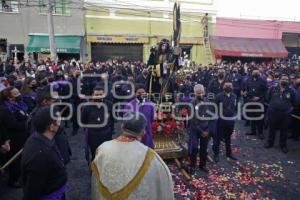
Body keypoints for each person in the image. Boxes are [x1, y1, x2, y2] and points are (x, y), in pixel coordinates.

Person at [91, 111, 174, 200]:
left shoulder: (103, 148)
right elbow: (162, 186)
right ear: (143, 132)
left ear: (122, 127)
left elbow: (95, 182)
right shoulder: (150, 156)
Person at [21, 107, 67, 200]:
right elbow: (32, 191)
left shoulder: (37, 137)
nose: (60, 123)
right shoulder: (40, 156)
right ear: (51, 127)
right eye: (58, 121)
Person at [0, 86, 29, 188]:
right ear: (9, 98)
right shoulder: (5, 110)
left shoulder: (19, 104)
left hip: (23, 136)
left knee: (23, 159)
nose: (19, 95)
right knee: (15, 161)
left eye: (18, 92)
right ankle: (13, 181)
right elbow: (13, 125)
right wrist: (27, 122)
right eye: (16, 94)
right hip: (14, 139)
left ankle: (21, 176)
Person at [264, 75, 298, 153]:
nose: (284, 81)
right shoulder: (273, 88)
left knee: (284, 130)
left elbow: (295, 102)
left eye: (286, 79)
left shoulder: (291, 91)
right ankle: (270, 142)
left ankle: (283, 145)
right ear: (279, 80)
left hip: (285, 114)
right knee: (272, 128)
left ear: (289, 81)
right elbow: (267, 98)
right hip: (273, 113)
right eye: (283, 79)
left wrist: (289, 109)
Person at [81, 85, 114, 160]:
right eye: (96, 95)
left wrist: (110, 130)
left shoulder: (109, 104)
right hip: (93, 136)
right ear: (92, 95)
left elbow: (112, 120)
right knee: (95, 155)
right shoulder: (86, 107)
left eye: (101, 94)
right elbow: (84, 121)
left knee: (106, 154)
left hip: (106, 134)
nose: (99, 96)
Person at [213, 81, 238, 162]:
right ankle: (216, 154)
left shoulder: (234, 96)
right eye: (226, 85)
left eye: (230, 85)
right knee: (218, 138)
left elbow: (235, 107)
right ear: (223, 87)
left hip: (230, 120)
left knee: (228, 137)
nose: (228, 87)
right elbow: (214, 108)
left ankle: (228, 153)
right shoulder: (219, 96)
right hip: (221, 120)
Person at [188, 84, 211, 174]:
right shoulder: (191, 103)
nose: (200, 94)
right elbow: (192, 119)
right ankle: (193, 165)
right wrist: (201, 131)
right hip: (195, 129)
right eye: (198, 93)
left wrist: (208, 130)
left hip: (206, 128)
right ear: (195, 93)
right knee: (194, 148)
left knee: (204, 148)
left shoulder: (208, 102)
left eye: (202, 92)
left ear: (204, 92)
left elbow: (211, 117)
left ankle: (203, 165)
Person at [124, 84, 155, 148]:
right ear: (135, 93)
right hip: (134, 136)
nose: (141, 94)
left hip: (147, 134)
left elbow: (151, 119)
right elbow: (126, 122)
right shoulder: (129, 106)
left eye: (143, 92)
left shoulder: (151, 104)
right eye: (139, 93)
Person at [244, 69, 267, 139]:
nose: (255, 73)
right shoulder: (248, 80)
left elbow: (265, 91)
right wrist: (248, 97)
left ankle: (260, 133)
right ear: (252, 73)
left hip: (259, 101)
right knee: (252, 116)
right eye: (254, 72)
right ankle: (253, 131)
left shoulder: (262, 80)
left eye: (256, 72)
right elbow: (246, 90)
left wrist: (259, 97)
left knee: (260, 118)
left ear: (259, 73)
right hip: (250, 101)